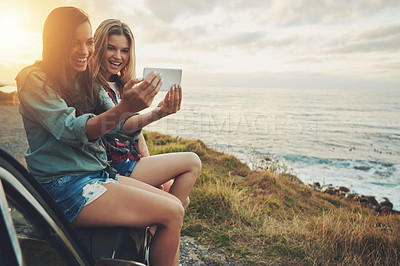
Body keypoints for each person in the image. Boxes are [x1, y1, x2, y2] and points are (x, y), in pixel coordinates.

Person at [16, 7, 199, 266]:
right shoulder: (34, 80)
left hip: (97, 174)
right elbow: (71, 130)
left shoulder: (84, 79)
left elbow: (117, 127)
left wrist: (149, 110)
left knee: (174, 206)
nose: (84, 50)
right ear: (56, 44)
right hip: (64, 186)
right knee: (171, 212)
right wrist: (124, 107)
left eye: (88, 42)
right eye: (73, 43)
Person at [91, 19, 201, 202]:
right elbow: (123, 124)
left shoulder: (121, 84)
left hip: (132, 161)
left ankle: (147, 230)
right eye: (111, 48)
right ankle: (152, 229)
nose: (118, 56)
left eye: (124, 50)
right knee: (192, 161)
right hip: (115, 165)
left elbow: (137, 136)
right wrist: (157, 113)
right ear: (99, 47)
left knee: (183, 197)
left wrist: (149, 165)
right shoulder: (95, 87)